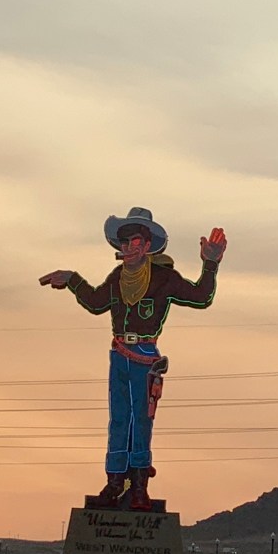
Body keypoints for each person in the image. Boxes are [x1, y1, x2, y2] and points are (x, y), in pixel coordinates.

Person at [40, 207, 227, 511]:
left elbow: (201, 296)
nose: (128, 247)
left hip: (145, 357)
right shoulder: (117, 277)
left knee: (141, 421)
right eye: (124, 242)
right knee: (118, 420)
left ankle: (139, 487)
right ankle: (115, 483)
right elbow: (96, 302)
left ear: (148, 244)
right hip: (119, 355)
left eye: (135, 241)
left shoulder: (164, 278)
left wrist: (211, 263)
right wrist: (73, 280)